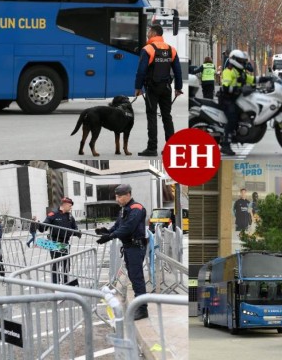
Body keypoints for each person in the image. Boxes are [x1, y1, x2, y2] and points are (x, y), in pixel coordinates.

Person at [95, 184, 149, 320]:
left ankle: (142, 309)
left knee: (137, 278)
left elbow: (128, 228)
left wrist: (110, 236)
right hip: (129, 247)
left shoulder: (136, 208)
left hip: (136, 247)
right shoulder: (124, 209)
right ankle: (138, 305)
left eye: (119, 196)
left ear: (128, 194)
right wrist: (107, 231)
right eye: (116, 196)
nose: (117, 199)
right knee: (133, 276)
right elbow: (118, 226)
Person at [135, 24, 183, 157]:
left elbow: (141, 71)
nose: (147, 33)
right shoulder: (171, 49)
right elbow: (178, 71)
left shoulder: (148, 49)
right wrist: (178, 88)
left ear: (154, 33)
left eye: (149, 31)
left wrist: (138, 87)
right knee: (167, 117)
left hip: (152, 88)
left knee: (152, 116)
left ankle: (152, 148)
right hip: (166, 88)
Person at [39, 197, 82, 285]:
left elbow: (75, 229)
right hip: (54, 243)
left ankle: (65, 283)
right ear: (65, 205)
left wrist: (77, 233)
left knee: (66, 265)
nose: (71, 208)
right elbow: (44, 227)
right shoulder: (53, 214)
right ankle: (56, 285)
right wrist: (38, 225)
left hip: (64, 243)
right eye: (70, 206)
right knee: (56, 265)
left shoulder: (70, 216)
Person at [220, 49, 255, 156]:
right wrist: (238, 90)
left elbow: (252, 79)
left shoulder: (240, 72)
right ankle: (225, 145)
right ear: (235, 60)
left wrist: (268, 79)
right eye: (241, 61)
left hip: (236, 99)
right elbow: (226, 87)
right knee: (233, 118)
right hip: (227, 100)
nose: (243, 63)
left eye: (244, 61)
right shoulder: (228, 71)